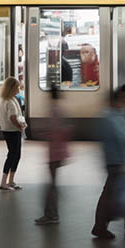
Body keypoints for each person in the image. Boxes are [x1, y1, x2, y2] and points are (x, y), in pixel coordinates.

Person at [92, 85, 125, 240]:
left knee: (114, 194)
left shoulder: (116, 114)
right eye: (123, 99)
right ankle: (103, 226)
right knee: (114, 195)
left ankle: (102, 226)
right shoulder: (110, 117)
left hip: (119, 161)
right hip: (117, 162)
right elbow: (121, 138)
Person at [35, 87, 68, 225]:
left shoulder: (53, 111)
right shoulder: (59, 110)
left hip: (54, 153)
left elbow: (55, 132)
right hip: (57, 153)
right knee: (52, 184)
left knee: (51, 185)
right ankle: (51, 213)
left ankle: (51, 214)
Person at [0, 77, 25, 191]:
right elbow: (13, 117)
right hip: (12, 131)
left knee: (15, 154)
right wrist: (20, 126)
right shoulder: (10, 102)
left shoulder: (5, 99)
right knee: (13, 155)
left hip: (7, 130)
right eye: (17, 87)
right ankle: (5, 182)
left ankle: (10, 181)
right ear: (12, 88)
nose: (18, 89)